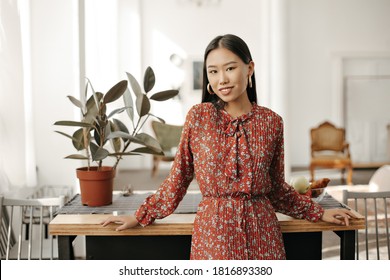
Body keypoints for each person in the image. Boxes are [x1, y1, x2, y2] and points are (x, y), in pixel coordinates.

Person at [102, 34, 357, 260]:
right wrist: (141, 215)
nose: (221, 79)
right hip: (214, 233)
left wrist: (318, 212)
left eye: (230, 68)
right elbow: (179, 177)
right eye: (213, 71)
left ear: (249, 69)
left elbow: (277, 189)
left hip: (263, 234)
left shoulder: (271, 122)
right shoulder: (198, 117)